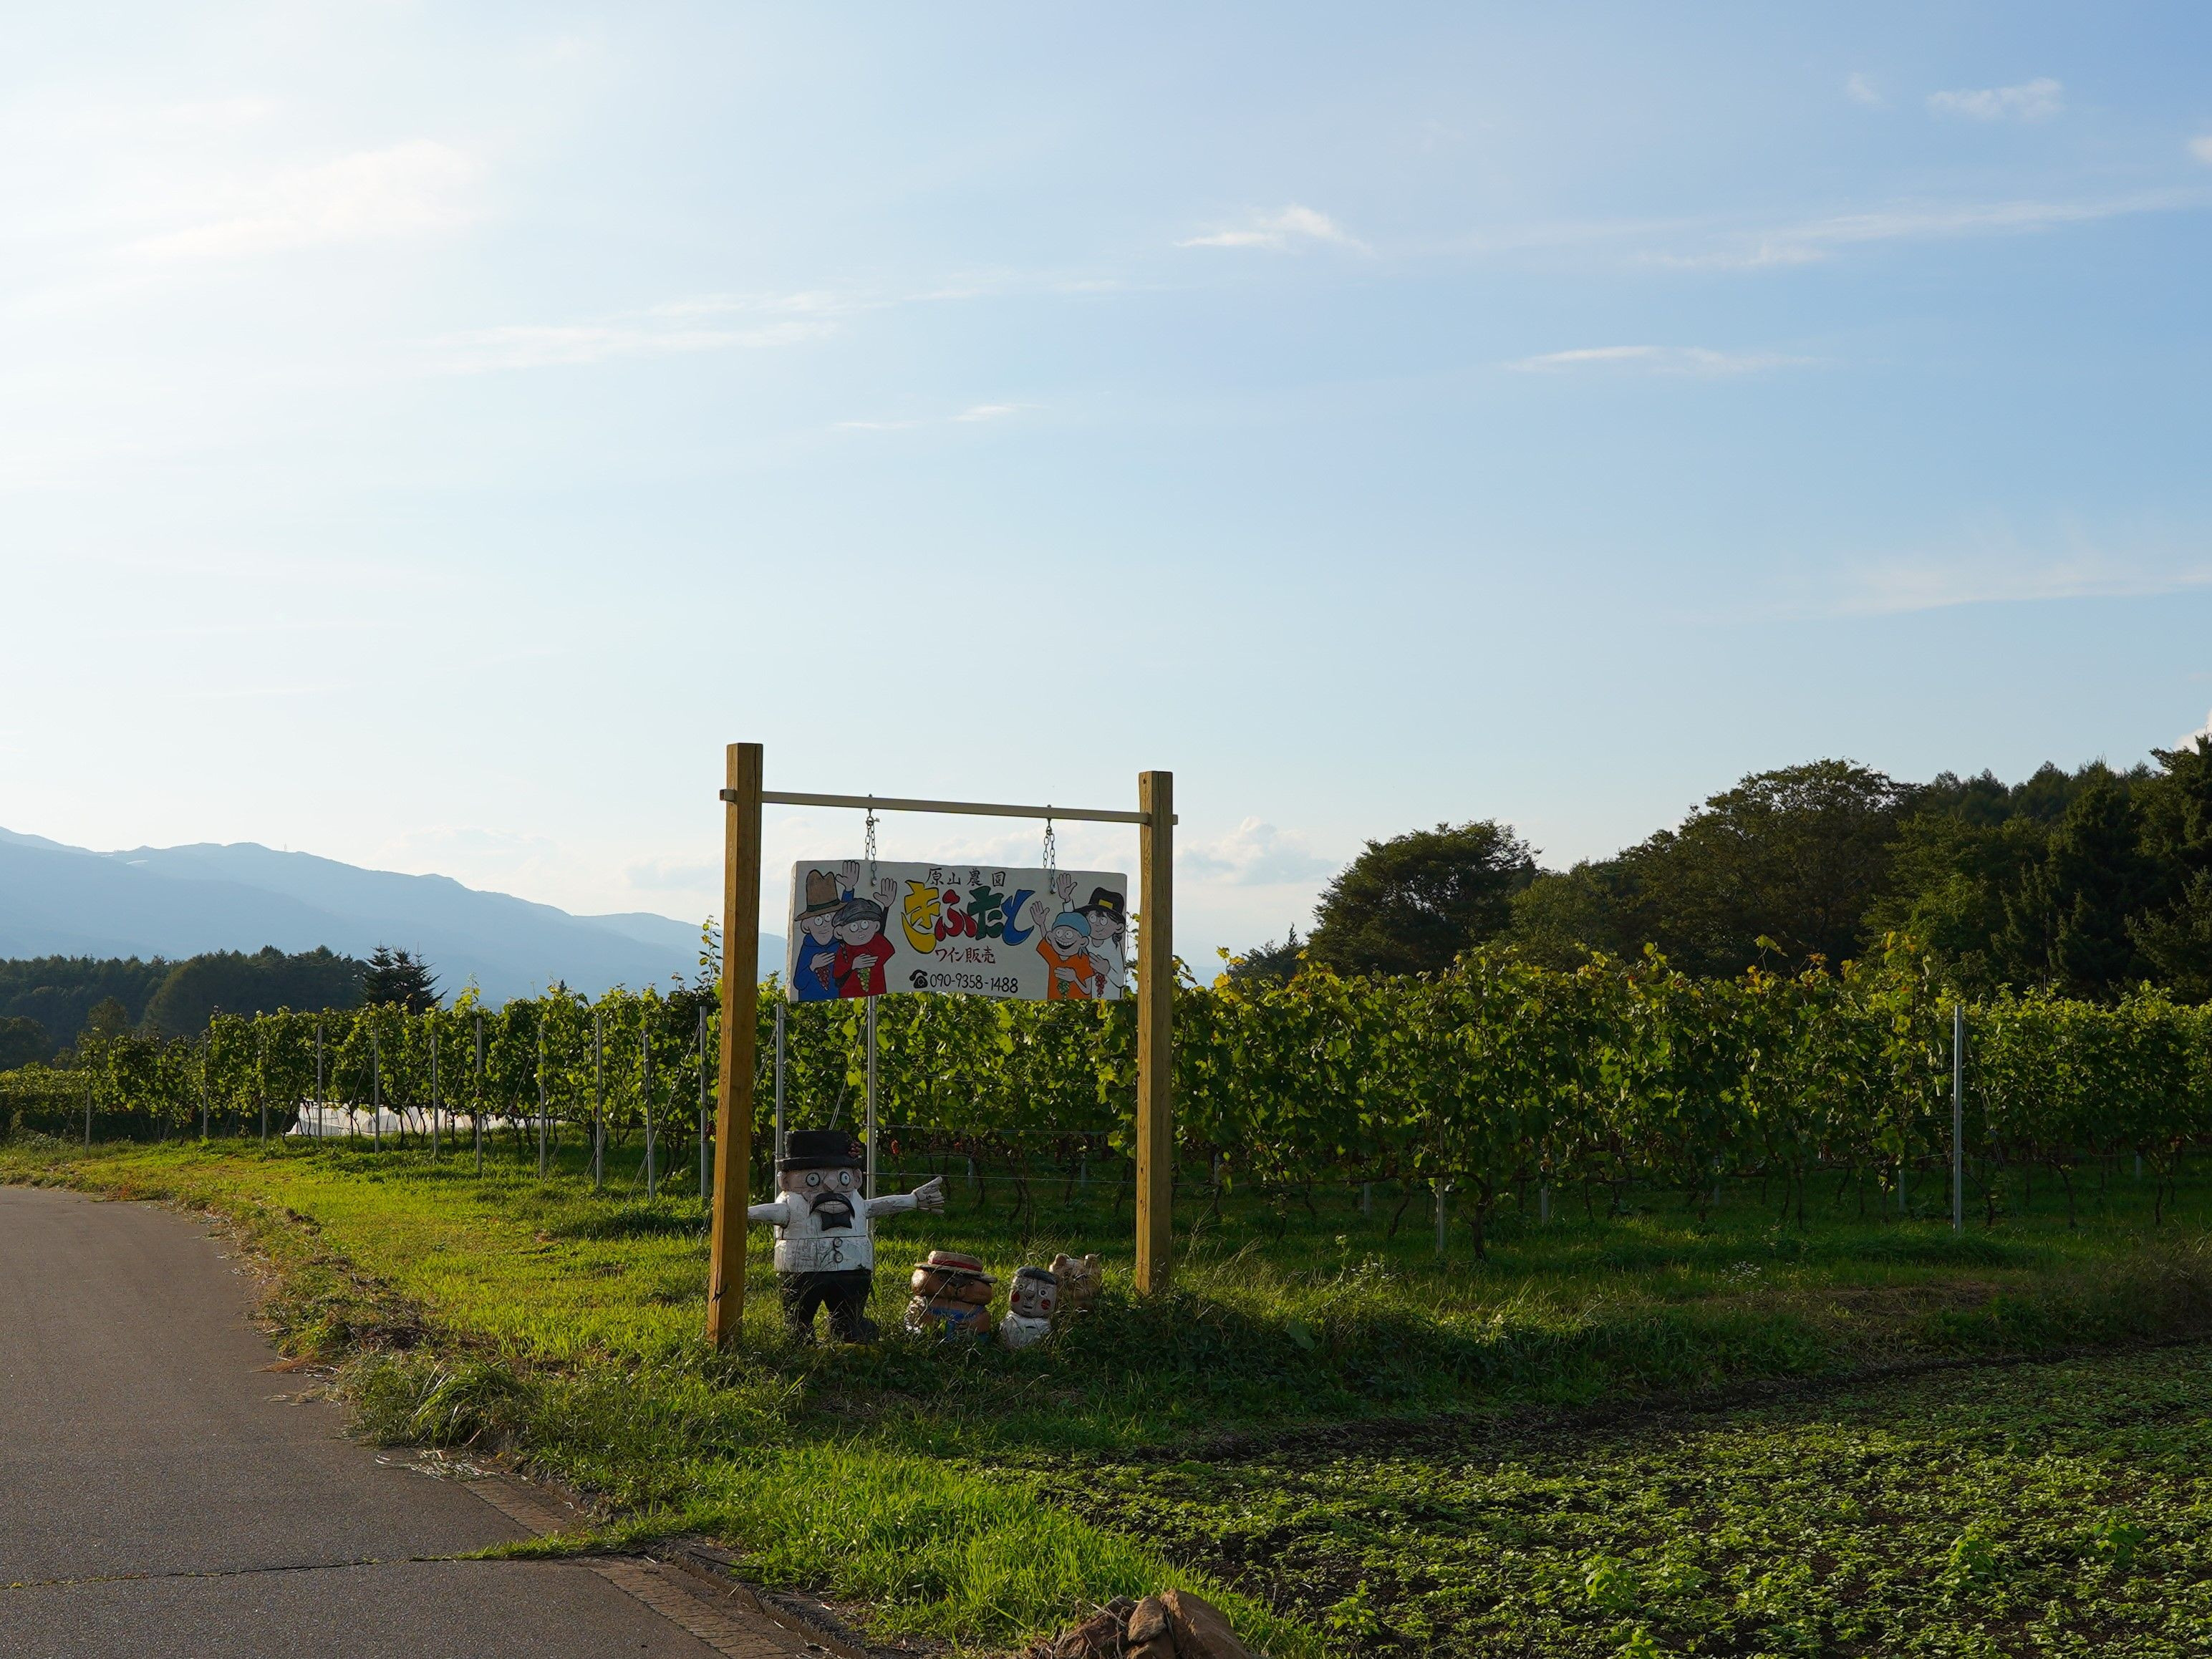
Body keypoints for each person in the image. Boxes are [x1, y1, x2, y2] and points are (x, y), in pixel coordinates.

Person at [745, 1130, 945, 1341]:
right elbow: (767, 1213)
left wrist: (912, 1200)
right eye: (813, 1179)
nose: (831, 1185)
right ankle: (800, 1333)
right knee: (800, 1311)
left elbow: (877, 1206)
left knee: (850, 1310)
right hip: (802, 1270)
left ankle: (848, 1327)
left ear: (856, 1178)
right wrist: (741, 1212)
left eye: (843, 1177)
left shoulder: (855, 1201)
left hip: (853, 1271)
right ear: (785, 1181)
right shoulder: (790, 1204)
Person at [791, 869, 845, 1002]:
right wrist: (812, 966)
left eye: (829, 918)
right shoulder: (808, 948)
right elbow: (798, 983)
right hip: (809, 1004)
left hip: (838, 1002)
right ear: (807, 925)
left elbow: (849, 918)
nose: (824, 925)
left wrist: (849, 889)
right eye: (818, 920)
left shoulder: (838, 944)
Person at [1030, 897, 1099, 1000]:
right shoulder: (1054, 957)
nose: (1063, 938)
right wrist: (1041, 925)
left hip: (1077, 1004)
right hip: (1053, 1002)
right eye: (1059, 933)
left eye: (1069, 934)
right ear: (1051, 936)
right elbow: (1048, 943)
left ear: (1083, 941)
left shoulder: (1084, 960)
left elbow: (1087, 990)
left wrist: (1074, 978)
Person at [831, 896, 898, 998]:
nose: (860, 930)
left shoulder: (875, 943)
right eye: (854, 927)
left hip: (877, 992)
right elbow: (838, 981)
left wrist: (886, 908)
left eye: (864, 924)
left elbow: (881, 940)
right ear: (839, 932)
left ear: (876, 926)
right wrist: (853, 966)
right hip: (850, 997)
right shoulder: (844, 950)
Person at [1077, 886, 1127, 999]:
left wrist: (1107, 970)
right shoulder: (1084, 939)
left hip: (1108, 999)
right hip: (1084, 996)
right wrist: (1066, 900)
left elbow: (1120, 981)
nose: (1097, 924)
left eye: (1103, 920)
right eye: (1093, 918)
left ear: (1118, 927)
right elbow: (1069, 924)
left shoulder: (1114, 945)